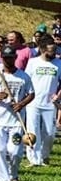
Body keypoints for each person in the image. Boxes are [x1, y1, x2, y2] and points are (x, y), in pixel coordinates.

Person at [0, 45, 34, 181]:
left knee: (15, 152)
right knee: (0, 151)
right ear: (2, 58)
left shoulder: (23, 76)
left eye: (11, 57)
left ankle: (13, 174)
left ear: (15, 58)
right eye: (5, 58)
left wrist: (21, 104)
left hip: (16, 121)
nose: (8, 60)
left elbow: (31, 94)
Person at [24, 37, 61, 166]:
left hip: (50, 104)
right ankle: (34, 159)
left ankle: (44, 156)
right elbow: (26, 80)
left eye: (55, 50)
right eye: (51, 51)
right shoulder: (33, 62)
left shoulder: (59, 63)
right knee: (32, 132)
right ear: (42, 49)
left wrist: (58, 95)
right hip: (33, 103)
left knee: (50, 134)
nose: (54, 53)